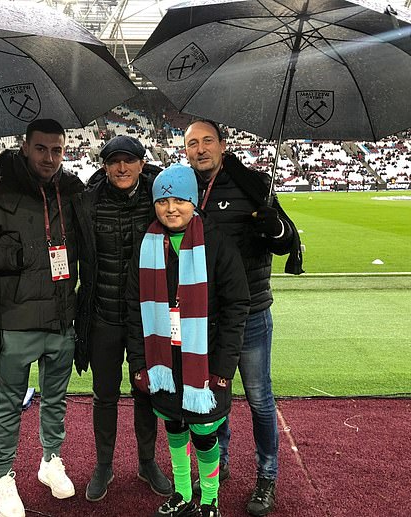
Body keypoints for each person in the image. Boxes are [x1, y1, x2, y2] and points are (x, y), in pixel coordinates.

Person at [184, 120, 303, 516]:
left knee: (258, 399)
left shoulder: (254, 185)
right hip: (206, 316)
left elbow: (287, 241)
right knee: (213, 397)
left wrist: (275, 228)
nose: (199, 149)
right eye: (191, 144)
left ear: (222, 144)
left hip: (250, 312)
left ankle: (267, 476)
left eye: (206, 141)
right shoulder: (184, 188)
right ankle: (219, 465)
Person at [126, 163, 250, 517]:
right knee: (174, 426)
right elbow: (133, 311)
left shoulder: (218, 244)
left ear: (194, 202)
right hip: (163, 362)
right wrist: (138, 363)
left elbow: (236, 307)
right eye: (164, 201)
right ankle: (181, 492)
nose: (171, 208)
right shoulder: (146, 246)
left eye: (180, 199)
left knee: (204, 433)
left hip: (205, 364)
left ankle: (209, 498)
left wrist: (224, 368)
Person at [0, 119, 83, 517]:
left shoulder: (71, 191)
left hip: (61, 317)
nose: (50, 158)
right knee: (8, 403)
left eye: (57, 150)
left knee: (55, 399)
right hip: (16, 319)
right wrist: (19, 254)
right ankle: (3, 477)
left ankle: (50, 461)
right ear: (25, 147)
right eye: (42, 149)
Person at [74, 135, 172, 502]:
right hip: (103, 315)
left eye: (128, 161)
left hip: (148, 318)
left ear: (141, 163)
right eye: (114, 161)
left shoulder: (160, 199)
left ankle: (147, 462)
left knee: (147, 391)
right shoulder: (89, 201)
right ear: (104, 166)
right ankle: (104, 464)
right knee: (104, 396)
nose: (121, 168)